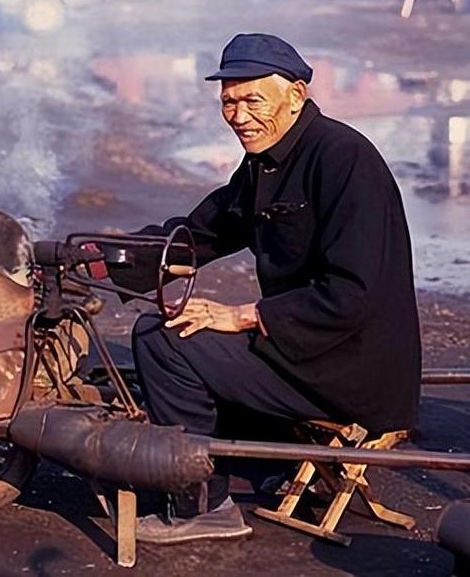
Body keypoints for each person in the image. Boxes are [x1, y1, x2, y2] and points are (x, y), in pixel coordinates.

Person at [129, 33, 421, 545]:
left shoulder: (344, 159)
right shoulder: (267, 158)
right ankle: (261, 461)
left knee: (161, 340)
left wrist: (242, 315)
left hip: (349, 365)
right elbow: (204, 233)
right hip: (303, 350)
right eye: (228, 103)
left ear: (297, 95)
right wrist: (111, 258)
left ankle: (200, 507)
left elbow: (353, 293)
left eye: (252, 101)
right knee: (168, 327)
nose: (239, 116)